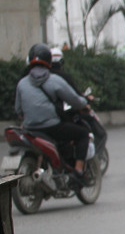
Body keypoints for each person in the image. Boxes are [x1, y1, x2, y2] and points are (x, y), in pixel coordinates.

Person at [14, 44, 93, 184]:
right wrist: (84, 104)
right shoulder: (54, 80)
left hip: (30, 129)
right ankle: (78, 171)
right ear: (49, 61)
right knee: (82, 134)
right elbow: (74, 100)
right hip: (52, 128)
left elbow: (18, 110)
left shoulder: (22, 83)